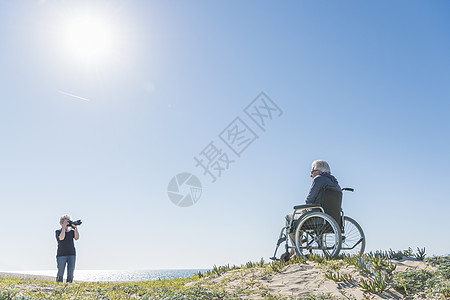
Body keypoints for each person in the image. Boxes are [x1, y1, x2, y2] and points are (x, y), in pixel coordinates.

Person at [286, 160, 341, 245]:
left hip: (317, 218)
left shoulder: (318, 179)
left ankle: (296, 250)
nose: (311, 175)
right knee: (298, 219)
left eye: (312, 172)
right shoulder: (335, 183)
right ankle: (297, 246)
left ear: (319, 171)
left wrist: (306, 209)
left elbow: (309, 199)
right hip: (333, 218)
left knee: (289, 218)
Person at [55, 214, 79, 283]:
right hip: (61, 255)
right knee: (60, 272)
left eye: (69, 221)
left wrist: (75, 228)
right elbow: (61, 238)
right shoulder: (58, 231)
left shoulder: (72, 231)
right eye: (66, 220)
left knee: (71, 272)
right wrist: (63, 227)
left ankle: (69, 286)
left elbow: (77, 238)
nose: (68, 222)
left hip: (72, 254)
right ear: (62, 222)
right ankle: (59, 285)